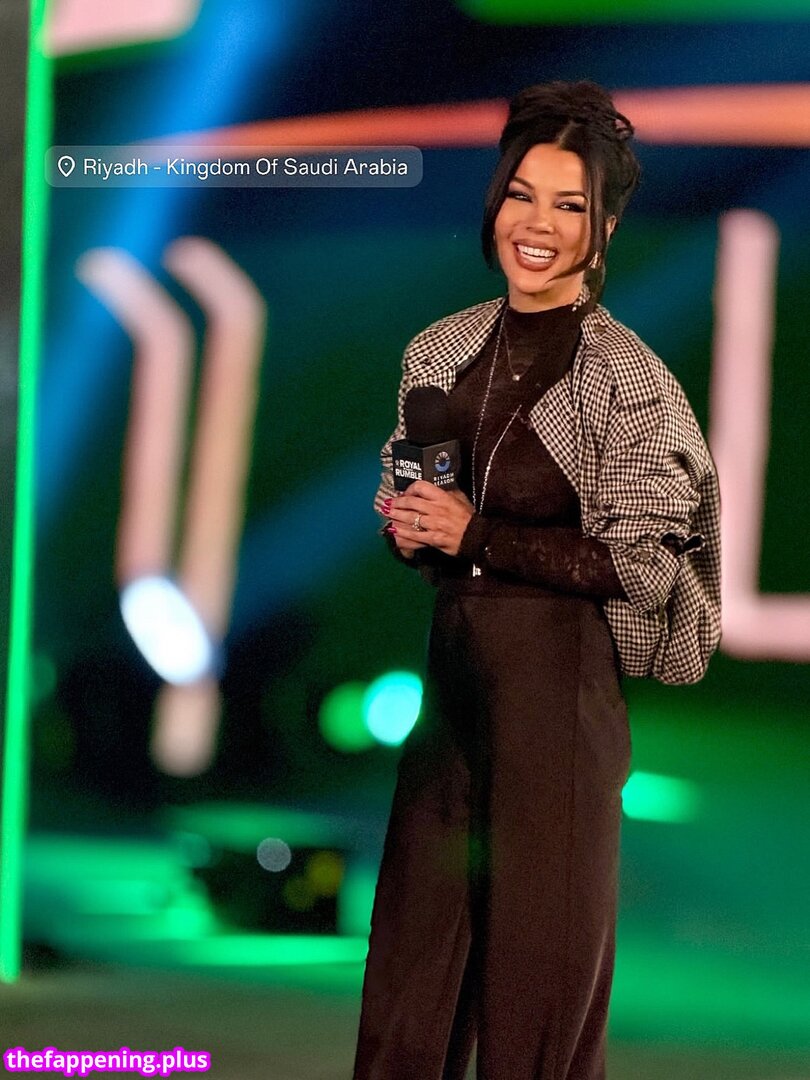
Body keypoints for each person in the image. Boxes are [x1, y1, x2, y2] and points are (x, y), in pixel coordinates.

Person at [353, 81, 721, 1080]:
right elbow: (421, 517)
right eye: (522, 195)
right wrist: (413, 530)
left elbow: (641, 567)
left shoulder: (627, 380)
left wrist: (477, 532)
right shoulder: (442, 349)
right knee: (407, 996)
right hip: (452, 704)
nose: (538, 224)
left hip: (559, 707)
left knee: (536, 1009)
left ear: (604, 229)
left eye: (568, 205)